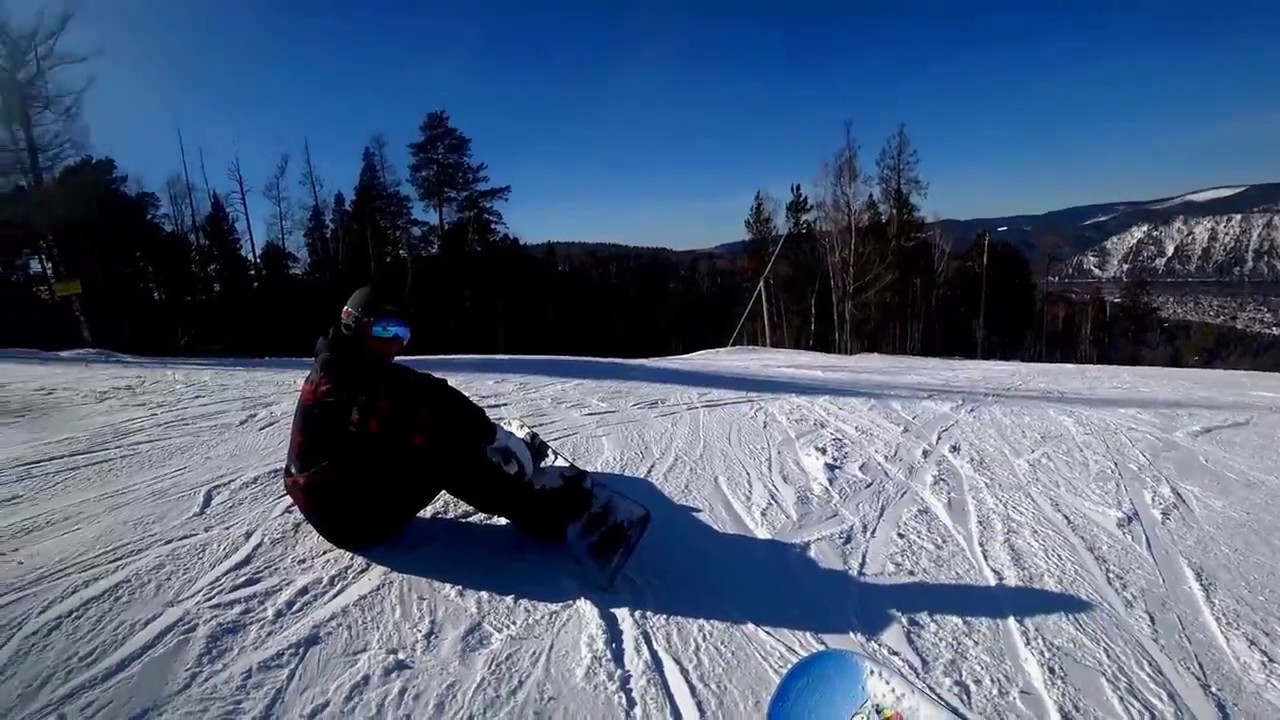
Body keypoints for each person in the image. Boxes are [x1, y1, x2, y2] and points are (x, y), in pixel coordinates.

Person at [282, 284, 590, 551]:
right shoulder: (337, 386)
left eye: (401, 335)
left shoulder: (357, 363)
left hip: (344, 486)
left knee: (431, 402)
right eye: (384, 332)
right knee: (444, 452)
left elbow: (429, 390)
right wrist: (474, 447)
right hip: (346, 517)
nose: (393, 345)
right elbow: (419, 434)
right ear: (355, 325)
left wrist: (491, 433)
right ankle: (544, 517)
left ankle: (501, 460)